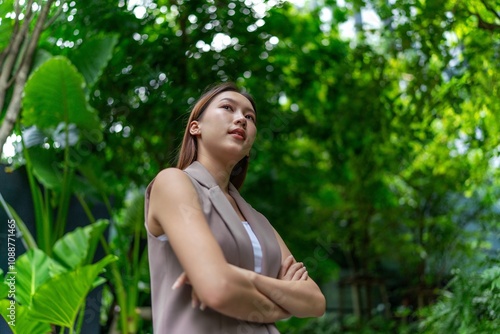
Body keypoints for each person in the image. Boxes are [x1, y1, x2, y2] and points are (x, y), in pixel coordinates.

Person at [145, 82, 326, 333]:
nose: (241, 119)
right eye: (228, 108)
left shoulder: (259, 221)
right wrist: (284, 303)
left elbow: (315, 302)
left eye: (249, 117)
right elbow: (217, 289)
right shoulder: (173, 182)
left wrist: (245, 278)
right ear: (196, 127)